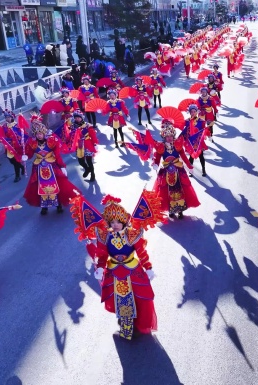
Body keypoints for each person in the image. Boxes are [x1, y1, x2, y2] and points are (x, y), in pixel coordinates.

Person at [86, 195, 158, 340]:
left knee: (139, 298)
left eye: (118, 221)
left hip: (132, 270)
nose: (115, 224)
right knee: (119, 298)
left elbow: (141, 252)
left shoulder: (132, 233)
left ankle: (136, 323)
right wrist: (100, 267)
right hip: (113, 271)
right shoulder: (105, 235)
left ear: (123, 220)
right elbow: (102, 254)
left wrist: (148, 267)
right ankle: (125, 324)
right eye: (112, 222)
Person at [22, 115, 78, 215]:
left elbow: (57, 155)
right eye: (37, 134)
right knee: (40, 187)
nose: (39, 135)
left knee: (55, 185)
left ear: (44, 133)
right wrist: (25, 156)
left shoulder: (52, 141)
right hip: (38, 167)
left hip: (51, 166)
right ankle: (44, 207)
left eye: (41, 133)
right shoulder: (31, 142)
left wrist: (62, 166)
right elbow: (29, 153)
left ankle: (58, 204)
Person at [151, 120, 200, 219]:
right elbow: (157, 158)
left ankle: (180, 210)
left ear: (173, 136)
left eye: (171, 136)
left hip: (178, 169)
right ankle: (171, 209)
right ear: (164, 137)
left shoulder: (178, 146)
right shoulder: (161, 147)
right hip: (166, 171)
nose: (169, 138)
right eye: (167, 137)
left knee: (180, 190)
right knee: (167, 191)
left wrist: (189, 166)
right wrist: (155, 164)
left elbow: (184, 157)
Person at [69, 109, 99, 182]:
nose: (77, 119)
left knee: (89, 161)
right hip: (79, 145)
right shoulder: (73, 126)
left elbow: (93, 135)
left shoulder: (87, 125)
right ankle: (87, 169)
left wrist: (95, 143)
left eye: (78, 117)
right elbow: (71, 136)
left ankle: (92, 174)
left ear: (82, 117)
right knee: (81, 161)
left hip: (87, 144)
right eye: (76, 117)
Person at [0, 109, 26, 182]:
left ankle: (17, 176)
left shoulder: (17, 125)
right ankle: (22, 167)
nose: (7, 119)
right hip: (9, 147)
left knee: (16, 162)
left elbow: (22, 134)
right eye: (6, 117)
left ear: (12, 117)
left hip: (17, 146)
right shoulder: (4, 126)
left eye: (8, 117)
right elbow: (3, 135)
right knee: (12, 161)